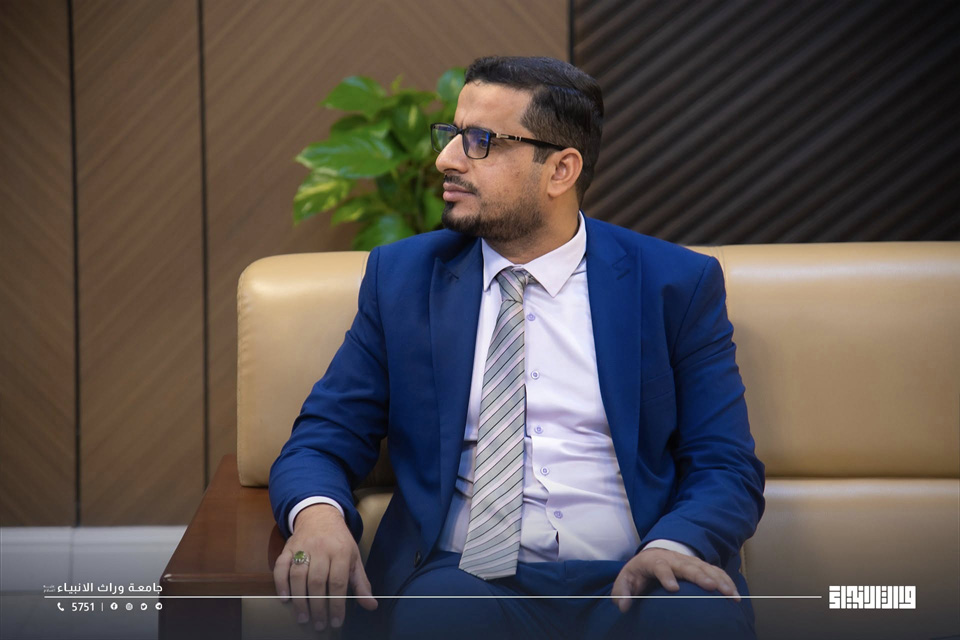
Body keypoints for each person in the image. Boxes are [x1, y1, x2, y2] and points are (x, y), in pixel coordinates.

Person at [269, 55, 765, 639]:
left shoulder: (673, 285)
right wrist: (318, 518)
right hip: (461, 579)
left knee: (696, 622)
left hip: (637, 576)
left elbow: (724, 463)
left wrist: (673, 545)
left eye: (480, 141)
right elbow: (324, 436)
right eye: (452, 134)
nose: (446, 159)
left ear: (560, 170)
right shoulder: (403, 279)